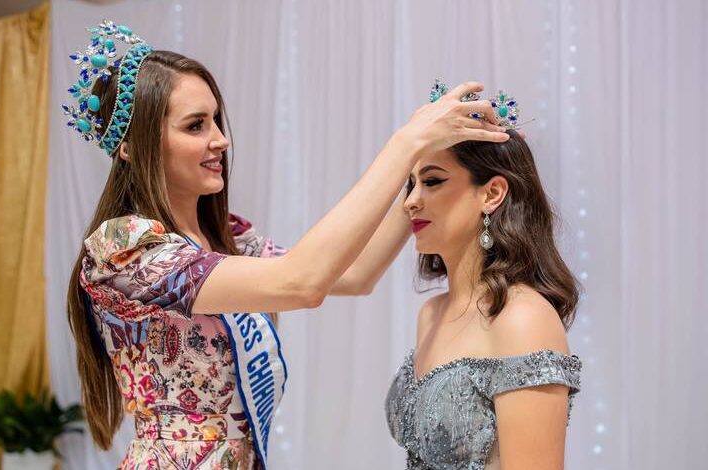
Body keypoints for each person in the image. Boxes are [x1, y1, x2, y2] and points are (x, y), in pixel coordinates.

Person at [63, 21, 509, 469]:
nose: (220, 139)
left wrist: (419, 173)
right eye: (195, 125)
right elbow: (302, 282)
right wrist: (405, 144)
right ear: (131, 147)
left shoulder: (230, 239)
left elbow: (353, 275)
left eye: (215, 119)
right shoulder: (125, 250)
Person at [384, 88, 581, 470]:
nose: (410, 201)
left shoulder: (522, 318)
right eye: (411, 184)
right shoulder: (431, 313)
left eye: (432, 181)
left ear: (492, 193)